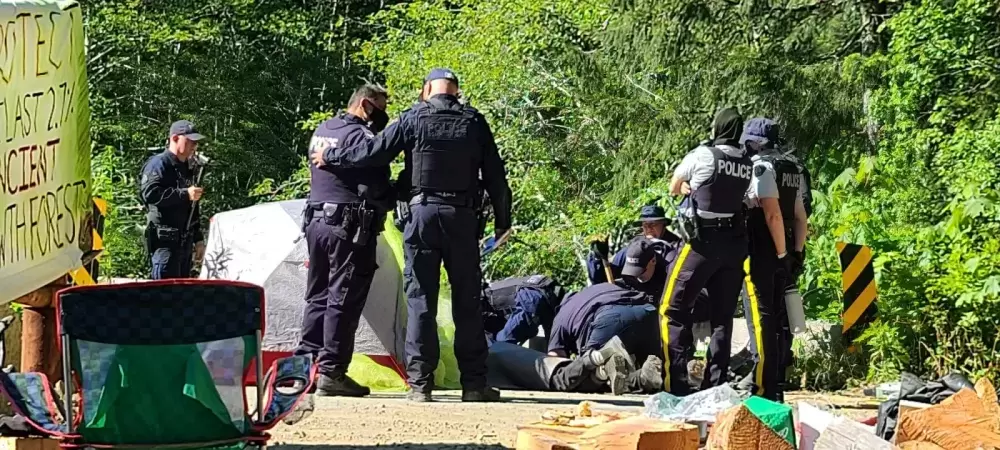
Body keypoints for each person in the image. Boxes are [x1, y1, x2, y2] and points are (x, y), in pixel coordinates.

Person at [312, 68, 512, 403]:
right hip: (462, 218)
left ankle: (420, 385)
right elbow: (496, 176)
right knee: (467, 302)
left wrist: (330, 156)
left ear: (425, 91)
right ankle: (474, 386)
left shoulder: (413, 118)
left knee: (421, 300)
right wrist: (503, 222)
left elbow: (373, 153)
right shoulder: (474, 122)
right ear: (457, 92)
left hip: (420, 216)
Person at [294, 84, 393, 397]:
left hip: (316, 221)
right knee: (343, 298)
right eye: (380, 106)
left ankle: (303, 370)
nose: (383, 115)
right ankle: (331, 371)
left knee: (317, 295)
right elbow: (377, 181)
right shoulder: (360, 136)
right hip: (348, 226)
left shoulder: (323, 129)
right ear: (365, 105)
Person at [661, 107, 752, 395]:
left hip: (702, 243)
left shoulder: (703, 155)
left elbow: (675, 185)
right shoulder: (747, 162)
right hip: (735, 244)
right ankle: (715, 385)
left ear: (716, 129)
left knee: (671, 309)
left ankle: (674, 382)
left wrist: (687, 186)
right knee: (722, 318)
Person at [739, 118, 808, 401]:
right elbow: (801, 215)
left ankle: (761, 382)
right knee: (781, 315)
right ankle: (777, 377)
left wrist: (778, 252)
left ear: (757, 142)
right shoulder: (794, 168)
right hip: (789, 247)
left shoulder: (760, 168)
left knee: (761, 315)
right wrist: (795, 254)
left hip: (763, 248)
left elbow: (772, 215)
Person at [548, 238, 664, 388]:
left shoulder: (561, 317)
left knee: (590, 375)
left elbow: (555, 361)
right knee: (655, 368)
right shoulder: (591, 292)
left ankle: (613, 370)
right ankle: (657, 377)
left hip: (611, 318)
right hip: (647, 311)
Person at [140, 120, 207, 280]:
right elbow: (149, 194)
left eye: (196, 142)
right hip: (165, 243)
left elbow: (192, 207)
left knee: (181, 296)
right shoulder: (159, 164)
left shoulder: (188, 168)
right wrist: (184, 194)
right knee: (164, 295)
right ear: (176, 138)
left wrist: (198, 239)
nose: (194, 146)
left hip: (184, 243)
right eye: (190, 141)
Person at [487, 337, 662, 395]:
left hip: (495, 359)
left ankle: (601, 354)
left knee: (559, 380)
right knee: (576, 386)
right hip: (497, 354)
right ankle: (603, 371)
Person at [481, 275, 567, 346]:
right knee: (552, 341)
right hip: (544, 295)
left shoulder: (478, 298)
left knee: (502, 343)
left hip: (531, 296)